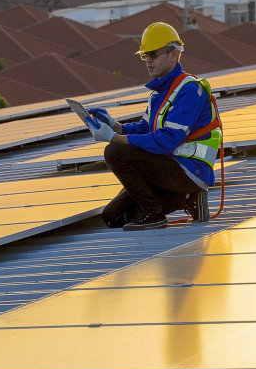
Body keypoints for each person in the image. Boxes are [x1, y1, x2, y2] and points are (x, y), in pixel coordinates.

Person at [88, 22, 222, 231]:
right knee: (113, 217)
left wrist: (114, 139)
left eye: (153, 54)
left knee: (115, 151)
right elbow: (145, 129)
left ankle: (154, 212)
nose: (148, 60)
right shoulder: (159, 94)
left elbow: (167, 140)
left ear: (173, 54)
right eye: (144, 56)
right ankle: (183, 199)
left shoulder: (189, 90)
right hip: (166, 168)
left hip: (188, 171)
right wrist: (115, 126)